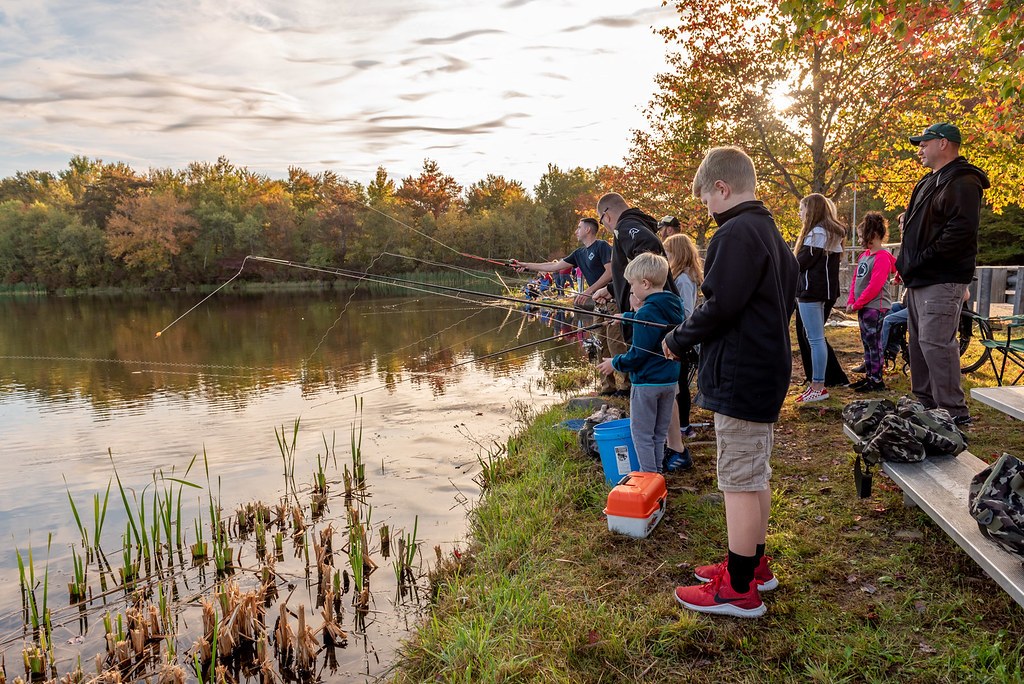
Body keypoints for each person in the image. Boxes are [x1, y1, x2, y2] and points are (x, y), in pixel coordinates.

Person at [663, 146, 798, 618]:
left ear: (721, 188)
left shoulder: (735, 232)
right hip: (765, 369)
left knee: (738, 480)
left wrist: (678, 338)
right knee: (754, 473)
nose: (707, 211)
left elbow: (719, 305)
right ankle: (753, 566)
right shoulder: (770, 232)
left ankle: (739, 590)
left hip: (743, 375)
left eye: (706, 201)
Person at [898, 122, 990, 426]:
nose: (919, 151)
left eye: (924, 144)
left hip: (941, 277)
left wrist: (920, 259)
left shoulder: (963, 181)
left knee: (936, 344)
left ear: (943, 144)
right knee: (919, 344)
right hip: (920, 278)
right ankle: (925, 406)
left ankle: (952, 412)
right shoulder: (931, 180)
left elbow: (960, 233)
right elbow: (932, 224)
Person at [511, 217, 622, 393]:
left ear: (588, 230)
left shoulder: (602, 246)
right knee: (600, 344)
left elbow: (610, 272)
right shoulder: (578, 253)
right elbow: (553, 267)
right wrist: (525, 265)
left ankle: (627, 387)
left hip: (614, 302)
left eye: (579, 227)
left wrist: (588, 291)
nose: (576, 231)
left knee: (616, 344)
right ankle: (608, 388)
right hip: (598, 305)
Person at [596, 252, 683, 473]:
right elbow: (656, 322)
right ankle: (657, 474)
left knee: (642, 435)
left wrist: (614, 363)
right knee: (659, 434)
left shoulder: (646, 311)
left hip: (647, 384)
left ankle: (648, 478)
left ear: (645, 283)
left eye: (632, 285)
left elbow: (637, 355)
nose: (631, 290)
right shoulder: (674, 303)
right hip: (669, 381)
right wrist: (627, 316)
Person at [793, 193, 847, 404]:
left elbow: (800, 263)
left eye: (802, 209)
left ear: (811, 210)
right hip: (825, 292)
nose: (799, 213)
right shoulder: (831, 233)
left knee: (815, 339)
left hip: (811, 292)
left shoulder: (816, 233)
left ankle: (818, 386)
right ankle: (817, 384)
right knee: (815, 338)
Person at [662, 233, 703, 469]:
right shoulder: (679, 276)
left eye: (668, 253)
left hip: (682, 338)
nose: (666, 257)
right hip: (679, 336)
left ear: (677, 253)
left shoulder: (685, 279)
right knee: (679, 382)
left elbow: (686, 312)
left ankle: (684, 425)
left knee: (680, 383)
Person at [846, 212, 897, 391]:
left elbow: (875, 285)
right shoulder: (864, 256)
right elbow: (856, 280)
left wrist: (858, 304)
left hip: (875, 307)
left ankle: (876, 380)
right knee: (867, 342)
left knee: (874, 344)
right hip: (863, 306)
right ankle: (869, 376)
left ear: (873, 235)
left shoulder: (882, 257)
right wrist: (851, 301)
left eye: (862, 236)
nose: (859, 240)